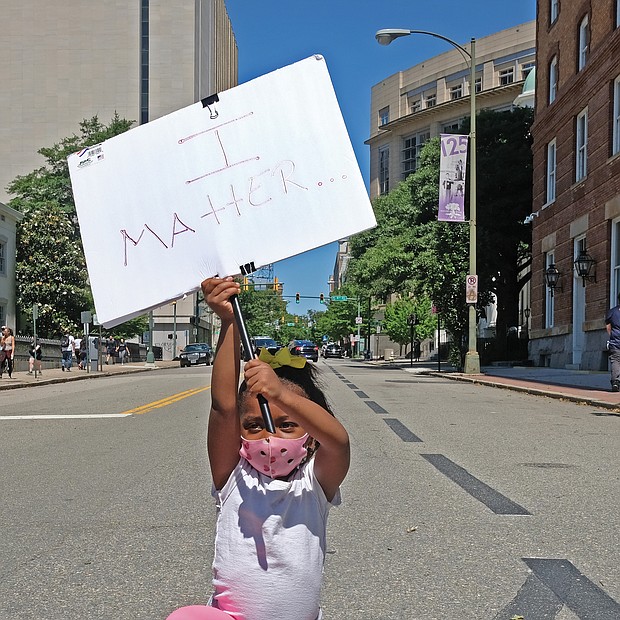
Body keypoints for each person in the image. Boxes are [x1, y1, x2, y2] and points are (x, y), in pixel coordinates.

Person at [167, 277, 350, 620]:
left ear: (310, 435)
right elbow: (223, 406)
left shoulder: (314, 485)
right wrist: (228, 321)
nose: (270, 437)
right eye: (254, 425)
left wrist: (280, 394)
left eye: (287, 424)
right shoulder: (232, 476)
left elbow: (338, 442)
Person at [605, 293, 620, 391]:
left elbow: (608, 326)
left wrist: (611, 335)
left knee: (615, 361)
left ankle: (615, 382)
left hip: (615, 341)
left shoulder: (612, 312)